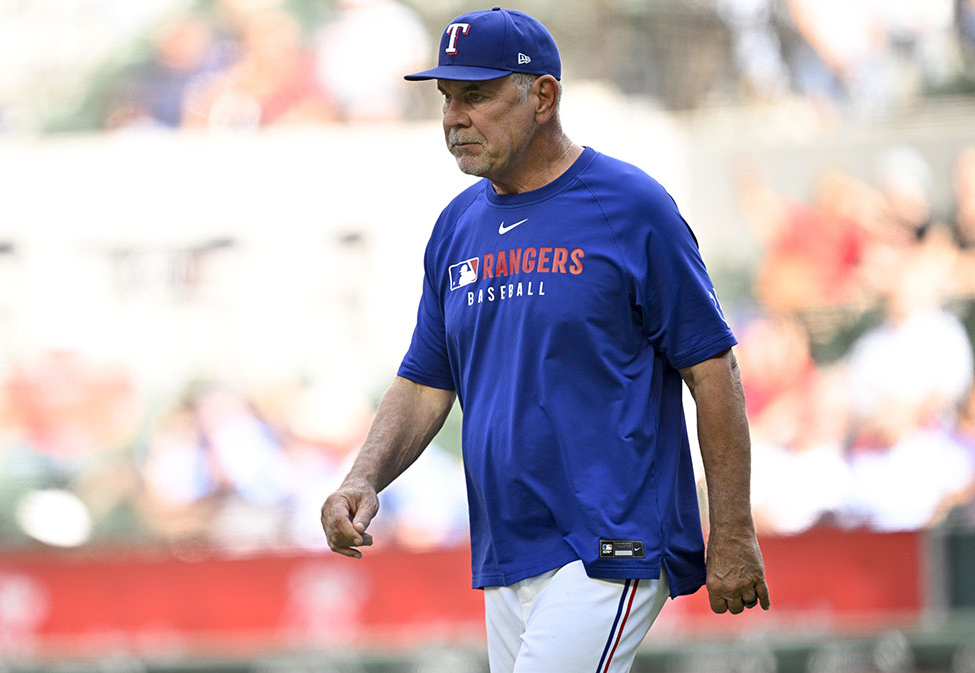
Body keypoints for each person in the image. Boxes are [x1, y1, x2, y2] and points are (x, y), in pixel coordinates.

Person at [319, 8, 769, 672]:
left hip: (611, 539)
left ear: (543, 96)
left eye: (475, 95)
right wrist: (362, 476)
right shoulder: (456, 227)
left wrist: (731, 530)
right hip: (508, 546)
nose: (452, 118)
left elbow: (713, 371)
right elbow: (424, 382)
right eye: (446, 98)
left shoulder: (631, 207)